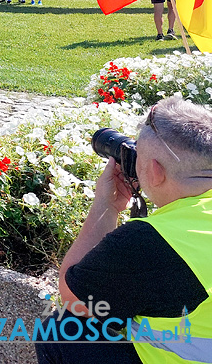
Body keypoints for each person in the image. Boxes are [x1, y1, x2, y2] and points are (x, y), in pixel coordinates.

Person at [35, 96, 212, 364]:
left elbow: (74, 298)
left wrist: (106, 205)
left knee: (62, 329)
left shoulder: (155, 241)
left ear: (154, 171)